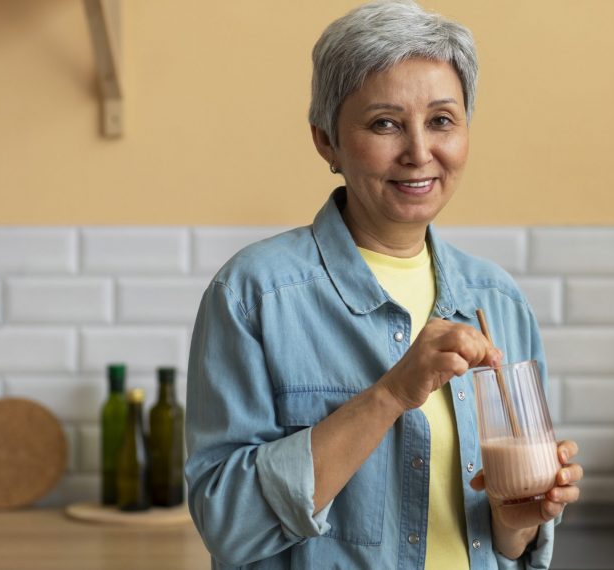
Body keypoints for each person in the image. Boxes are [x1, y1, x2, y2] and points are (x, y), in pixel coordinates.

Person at [185, 1, 582, 568]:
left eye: (442, 120)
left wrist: (514, 520)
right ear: (327, 141)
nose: (420, 152)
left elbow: (505, 546)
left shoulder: (497, 300)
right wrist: (391, 394)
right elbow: (229, 526)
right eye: (385, 123)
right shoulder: (253, 296)